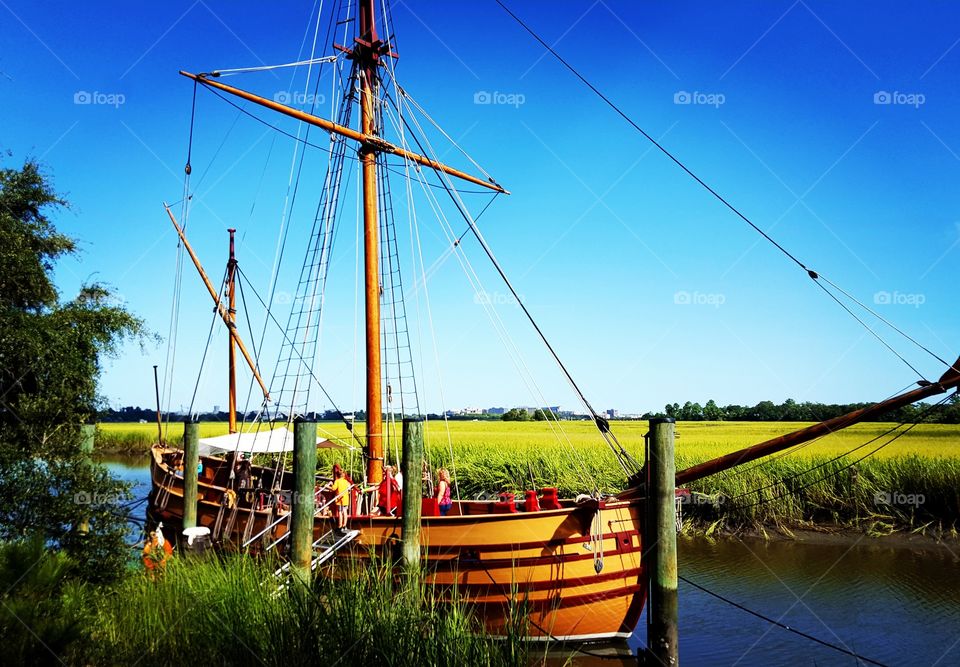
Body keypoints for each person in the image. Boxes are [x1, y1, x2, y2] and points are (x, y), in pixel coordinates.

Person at [330, 464, 351, 533]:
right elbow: (349, 487)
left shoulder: (337, 481)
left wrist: (328, 485)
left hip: (340, 499)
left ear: (338, 475)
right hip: (345, 499)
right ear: (344, 475)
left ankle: (339, 526)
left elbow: (333, 488)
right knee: (345, 511)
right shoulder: (346, 482)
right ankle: (344, 525)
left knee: (340, 512)